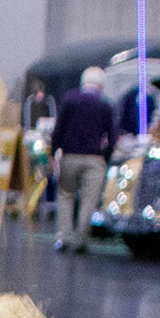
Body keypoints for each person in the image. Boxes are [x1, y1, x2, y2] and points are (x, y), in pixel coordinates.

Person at [50, 65, 116, 253]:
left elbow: (58, 129)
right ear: (101, 85)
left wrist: (54, 152)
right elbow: (112, 135)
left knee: (65, 195)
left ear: (83, 82)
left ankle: (63, 237)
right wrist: (106, 156)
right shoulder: (105, 104)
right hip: (95, 159)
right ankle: (81, 239)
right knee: (89, 201)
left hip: (70, 156)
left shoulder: (70, 100)